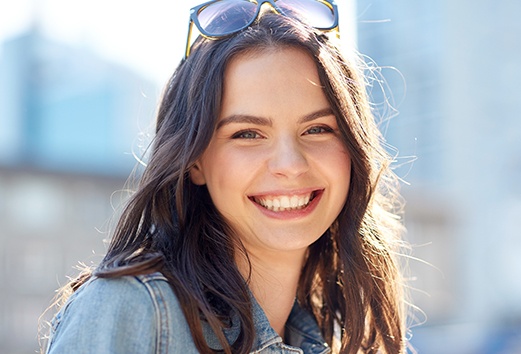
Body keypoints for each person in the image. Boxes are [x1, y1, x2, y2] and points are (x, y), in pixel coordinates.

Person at [43, 0, 411, 353]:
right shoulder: (134, 310)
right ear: (195, 161)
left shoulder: (340, 336)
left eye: (317, 129)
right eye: (247, 134)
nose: (290, 164)